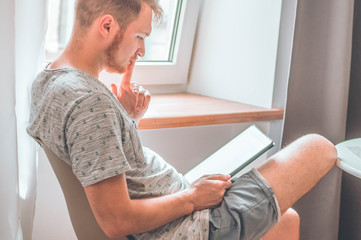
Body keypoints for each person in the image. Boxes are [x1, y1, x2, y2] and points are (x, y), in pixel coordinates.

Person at [27, 0, 337, 239]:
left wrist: (127, 117)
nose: (142, 50)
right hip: (191, 228)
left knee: (287, 221)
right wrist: (192, 197)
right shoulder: (91, 104)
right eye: (139, 36)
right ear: (106, 27)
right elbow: (116, 220)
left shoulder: (51, 80)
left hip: (178, 208)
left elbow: (96, 153)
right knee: (319, 148)